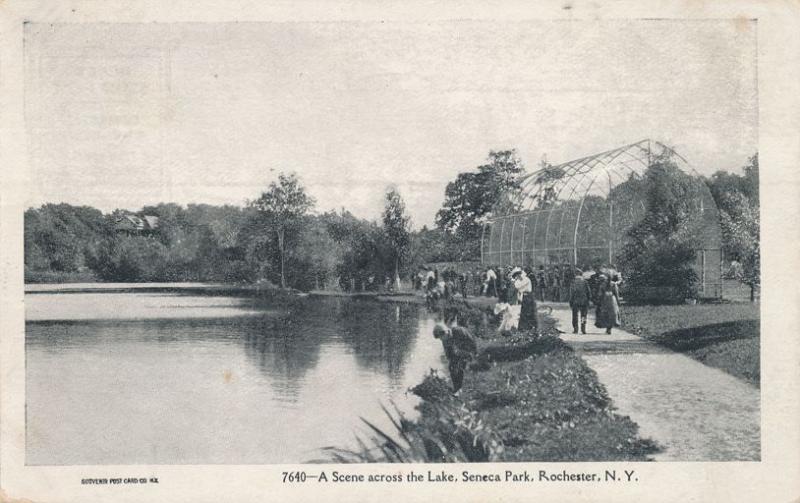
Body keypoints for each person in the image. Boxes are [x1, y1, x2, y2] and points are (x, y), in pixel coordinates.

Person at [433, 324, 478, 393]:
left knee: (460, 366)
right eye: (439, 338)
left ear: (446, 332)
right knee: (451, 367)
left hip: (469, 350)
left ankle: (459, 388)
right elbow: (448, 353)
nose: (441, 339)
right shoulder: (445, 339)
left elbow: (472, 341)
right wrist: (451, 360)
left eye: (441, 337)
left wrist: (471, 354)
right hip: (458, 352)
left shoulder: (459, 331)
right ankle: (456, 388)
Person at [567, 268, 592, 334]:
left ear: (575, 274)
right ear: (581, 274)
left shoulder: (573, 282)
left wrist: (570, 300)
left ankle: (576, 329)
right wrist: (589, 299)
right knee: (583, 315)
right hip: (584, 300)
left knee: (575, 315)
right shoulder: (585, 282)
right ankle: (583, 328)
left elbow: (571, 292)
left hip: (575, 300)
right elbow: (588, 291)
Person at [512, 267, 537, 332]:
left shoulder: (526, 279)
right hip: (524, 297)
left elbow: (521, 287)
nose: (517, 276)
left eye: (518, 274)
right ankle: (524, 328)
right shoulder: (518, 281)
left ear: (520, 273)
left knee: (530, 312)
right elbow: (518, 287)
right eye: (516, 275)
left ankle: (532, 327)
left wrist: (520, 287)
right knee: (524, 313)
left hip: (529, 296)